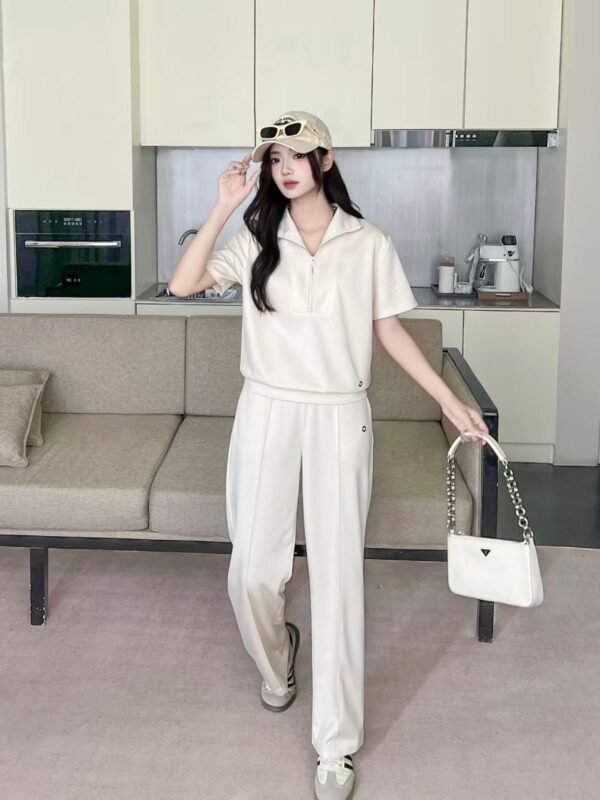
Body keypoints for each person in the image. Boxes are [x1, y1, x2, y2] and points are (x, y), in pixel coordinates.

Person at [168, 111, 489, 800]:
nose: (285, 167)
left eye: (298, 154)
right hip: (266, 409)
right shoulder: (257, 236)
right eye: (274, 157)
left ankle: (336, 745)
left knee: (339, 577)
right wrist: (223, 204)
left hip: (341, 414)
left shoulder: (368, 242)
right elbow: (182, 285)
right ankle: (278, 658)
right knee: (251, 573)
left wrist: (448, 402)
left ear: (326, 159)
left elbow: (390, 333)